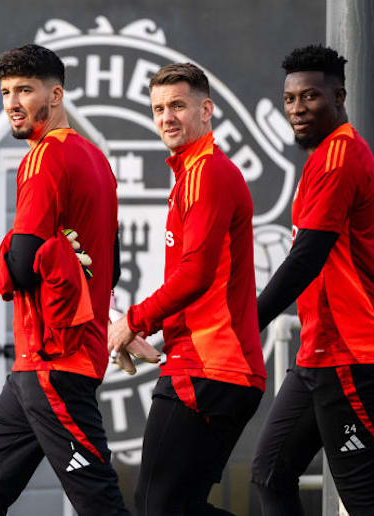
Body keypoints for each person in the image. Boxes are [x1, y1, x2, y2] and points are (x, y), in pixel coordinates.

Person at [0, 44, 130, 516]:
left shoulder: (45, 158)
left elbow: (22, 266)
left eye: (24, 90)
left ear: (55, 95)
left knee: (101, 505)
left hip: (55, 364)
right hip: (37, 367)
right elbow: (110, 266)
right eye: (6, 92)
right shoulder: (97, 160)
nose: (12, 103)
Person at [250, 44, 374, 516]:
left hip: (354, 351)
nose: (297, 108)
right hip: (319, 352)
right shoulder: (323, 158)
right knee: (270, 475)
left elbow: (306, 259)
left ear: (339, 96)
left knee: (363, 499)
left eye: (310, 96)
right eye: (289, 99)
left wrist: (246, 322)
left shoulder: (339, 156)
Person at [108, 63, 266, 515]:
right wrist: (147, 332)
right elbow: (201, 282)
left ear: (206, 110)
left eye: (177, 105)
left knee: (157, 506)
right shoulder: (191, 174)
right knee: (175, 506)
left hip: (209, 368)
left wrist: (132, 321)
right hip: (212, 367)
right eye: (158, 108)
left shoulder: (206, 172)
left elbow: (196, 275)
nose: (166, 117)